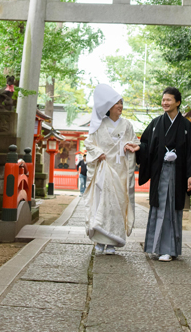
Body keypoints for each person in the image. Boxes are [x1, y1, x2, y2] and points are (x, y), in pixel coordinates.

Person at [126, 86, 191, 262]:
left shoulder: (186, 126)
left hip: (177, 173)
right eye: (163, 100)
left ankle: (169, 249)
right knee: (159, 207)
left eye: (168, 100)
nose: (165, 103)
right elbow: (146, 144)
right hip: (160, 172)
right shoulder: (156, 124)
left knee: (172, 209)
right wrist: (139, 148)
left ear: (178, 102)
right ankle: (155, 247)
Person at [84, 84, 139, 255]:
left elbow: (135, 142)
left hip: (121, 170)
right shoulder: (99, 125)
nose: (120, 106)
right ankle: (100, 240)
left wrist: (132, 146)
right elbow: (89, 143)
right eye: (117, 103)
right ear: (108, 106)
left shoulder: (127, 125)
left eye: (121, 103)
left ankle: (113, 242)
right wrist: (98, 153)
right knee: (102, 202)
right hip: (104, 169)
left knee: (118, 204)